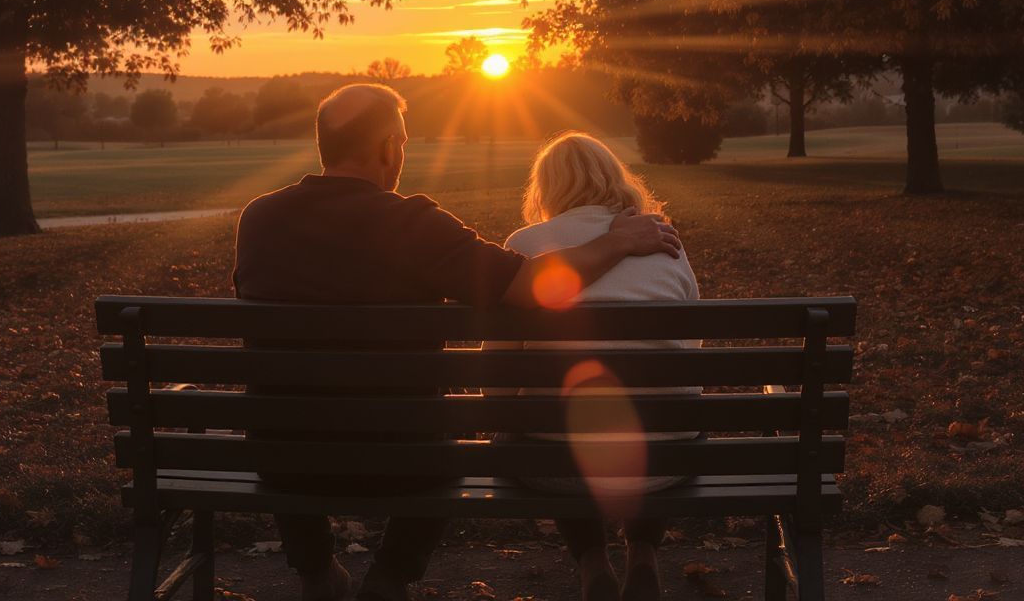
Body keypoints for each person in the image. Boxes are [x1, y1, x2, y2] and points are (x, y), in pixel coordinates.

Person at [233, 85, 683, 601]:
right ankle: (391, 575)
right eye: (402, 142)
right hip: (404, 458)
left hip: (284, 457)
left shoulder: (259, 219)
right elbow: (528, 288)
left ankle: (316, 572)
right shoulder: (413, 223)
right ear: (389, 148)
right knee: (449, 448)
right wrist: (618, 240)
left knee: (290, 423)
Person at [497, 131, 702, 601]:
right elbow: (688, 353)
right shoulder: (662, 237)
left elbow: (499, 378)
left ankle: (592, 562)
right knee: (654, 416)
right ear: (613, 176)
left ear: (545, 189)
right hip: (662, 461)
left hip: (557, 463)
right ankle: (644, 556)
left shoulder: (524, 244)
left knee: (553, 423)